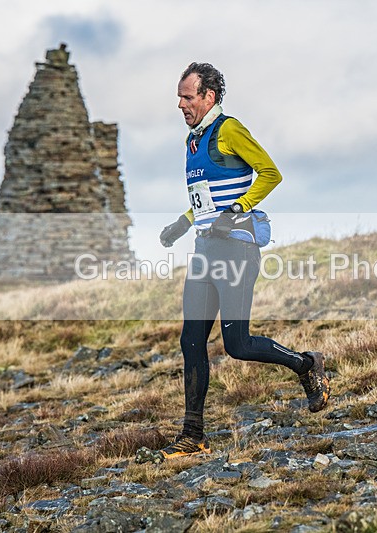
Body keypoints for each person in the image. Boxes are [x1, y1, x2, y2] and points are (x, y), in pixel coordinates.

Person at [137, 62, 330, 463]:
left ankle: (307, 365)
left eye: (187, 96)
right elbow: (207, 201)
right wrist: (183, 222)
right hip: (205, 250)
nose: (180, 104)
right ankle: (193, 435)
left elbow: (270, 173)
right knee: (191, 341)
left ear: (208, 96)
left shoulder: (229, 130)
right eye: (179, 96)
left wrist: (239, 208)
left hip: (236, 250)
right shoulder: (194, 142)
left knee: (237, 344)